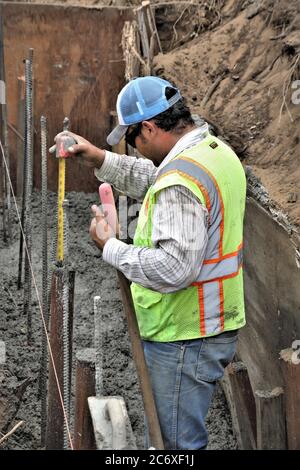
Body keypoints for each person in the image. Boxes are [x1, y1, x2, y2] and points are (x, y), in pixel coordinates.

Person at [54, 76, 246, 450]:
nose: (136, 149)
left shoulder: (180, 181)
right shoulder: (212, 152)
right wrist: (100, 157)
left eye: (133, 139)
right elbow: (159, 176)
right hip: (212, 321)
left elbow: (174, 269)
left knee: (176, 446)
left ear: (149, 127)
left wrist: (110, 246)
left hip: (184, 334)